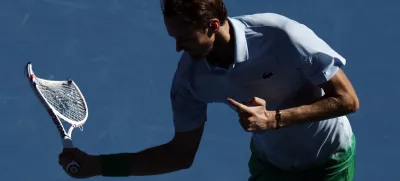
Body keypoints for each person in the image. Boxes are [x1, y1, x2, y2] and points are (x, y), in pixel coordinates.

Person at [58, 0, 360, 180]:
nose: (178, 47)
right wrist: (99, 166)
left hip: (328, 161)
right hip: (272, 168)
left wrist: (274, 120)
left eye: (185, 38)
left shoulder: (281, 35)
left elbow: (347, 100)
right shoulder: (190, 79)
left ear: (213, 25)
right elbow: (180, 154)